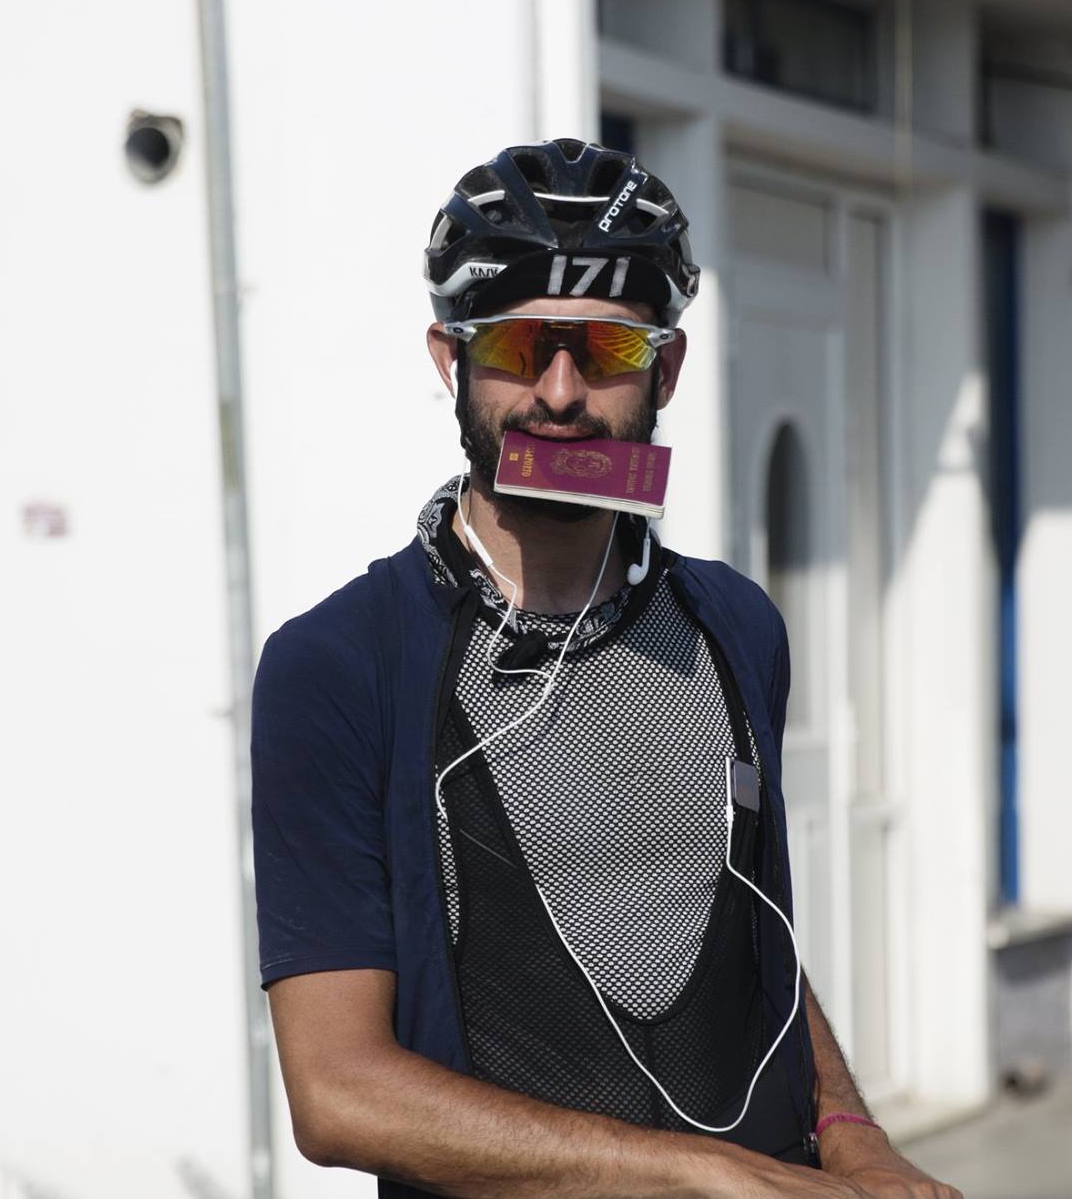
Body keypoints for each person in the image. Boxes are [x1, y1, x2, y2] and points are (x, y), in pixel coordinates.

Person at [252, 138, 958, 1199]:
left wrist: (852, 1130)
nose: (561, 392)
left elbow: (741, 934)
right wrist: (697, 1175)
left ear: (665, 371)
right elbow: (338, 1092)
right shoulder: (339, 665)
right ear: (450, 360)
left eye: (609, 351)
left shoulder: (735, 625)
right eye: (518, 347)